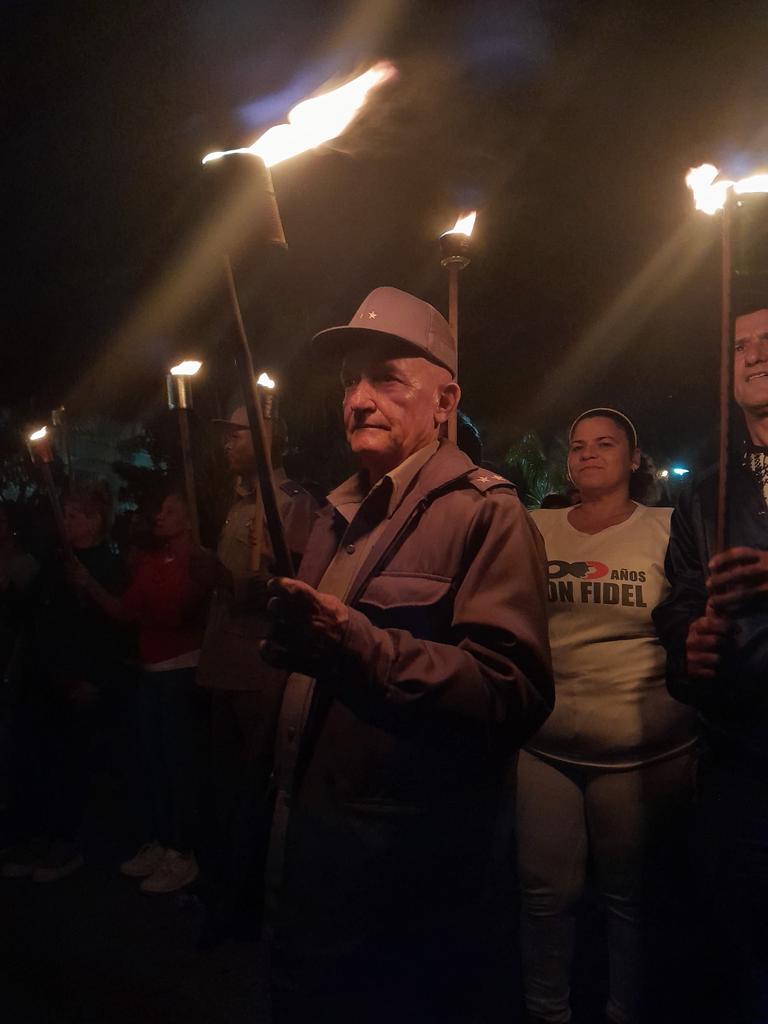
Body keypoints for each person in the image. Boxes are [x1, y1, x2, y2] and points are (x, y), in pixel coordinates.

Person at [263, 286, 554, 1023]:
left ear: (444, 399)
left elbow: (508, 691)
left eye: (386, 378)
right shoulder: (337, 511)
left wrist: (351, 643)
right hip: (318, 857)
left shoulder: (488, 515)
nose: (357, 399)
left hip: (408, 879)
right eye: (348, 383)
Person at [517, 408, 699, 1024]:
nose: (588, 454)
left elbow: (690, 615)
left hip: (642, 749)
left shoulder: (670, 527)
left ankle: (627, 1011)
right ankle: (548, 1012)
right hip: (543, 745)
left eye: (605, 444)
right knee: (544, 896)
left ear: (633, 459)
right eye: (578, 445)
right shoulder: (533, 527)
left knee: (630, 900)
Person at [654, 306, 768, 1024]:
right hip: (740, 763)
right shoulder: (704, 492)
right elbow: (678, 601)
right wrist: (688, 644)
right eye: (740, 346)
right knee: (741, 956)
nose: (755, 356)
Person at [191, 404, 318, 941]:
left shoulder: (291, 503)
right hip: (221, 664)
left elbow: (292, 584)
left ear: (271, 437)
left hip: (258, 667)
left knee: (252, 790)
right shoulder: (236, 504)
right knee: (221, 788)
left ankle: (247, 905)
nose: (227, 444)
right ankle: (222, 888)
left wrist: (230, 582)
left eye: (238, 434)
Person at [71, 491, 210, 894]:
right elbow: (126, 612)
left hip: (180, 673)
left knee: (178, 764)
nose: (160, 517)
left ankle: (183, 852)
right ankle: (163, 840)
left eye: (170, 511)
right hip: (150, 674)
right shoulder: (151, 561)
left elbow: (177, 614)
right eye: (159, 510)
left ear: (189, 519)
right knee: (154, 761)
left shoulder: (198, 561)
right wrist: (90, 587)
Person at [2, 483, 127, 883]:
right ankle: (39, 836)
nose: (66, 522)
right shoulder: (56, 562)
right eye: (65, 513)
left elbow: (112, 629)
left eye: (73, 515)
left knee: (73, 765)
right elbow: (36, 612)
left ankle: (69, 844)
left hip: (80, 679)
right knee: (40, 759)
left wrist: (94, 677)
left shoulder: (107, 565)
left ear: (94, 521)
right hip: (47, 678)